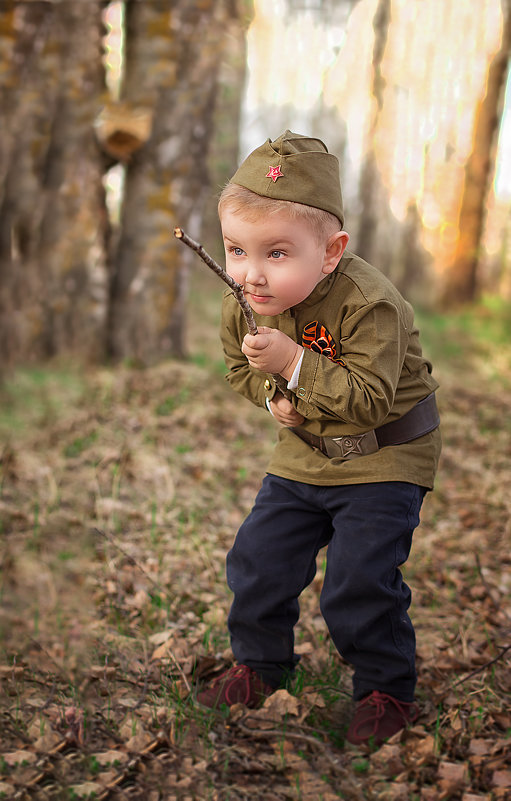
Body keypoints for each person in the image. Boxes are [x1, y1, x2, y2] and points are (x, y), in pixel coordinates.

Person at [196, 131, 441, 747]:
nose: (250, 274)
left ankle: (387, 690)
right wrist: (272, 398)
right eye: (235, 250)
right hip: (305, 453)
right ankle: (261, 664)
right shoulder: (246, 301)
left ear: (330, 252)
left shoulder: (369, 303)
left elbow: (369, 400)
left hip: (386, 453)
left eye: (276, 254)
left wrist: (292, 363)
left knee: (358, 580)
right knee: (259, 559)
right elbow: (237, 369)